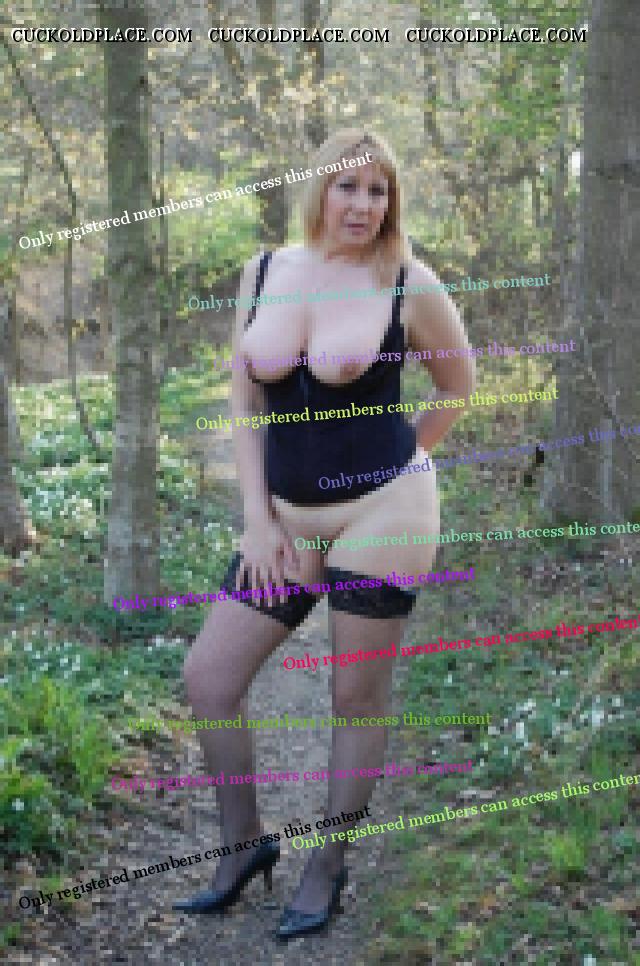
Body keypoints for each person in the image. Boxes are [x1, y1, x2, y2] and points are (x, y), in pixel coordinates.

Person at [174, 129, 475, 940]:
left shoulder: (408, 280)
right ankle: (244, 843)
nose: (363, 205)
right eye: (349, 187)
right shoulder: (265, 271)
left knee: (354, 695)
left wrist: (404, 462)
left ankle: (328, 865)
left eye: (379, 191)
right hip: (286, 521)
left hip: (385, 513)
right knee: (209, 678)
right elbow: (244, 400)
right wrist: (257, 517)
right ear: (321, 189)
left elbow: (458, 384)